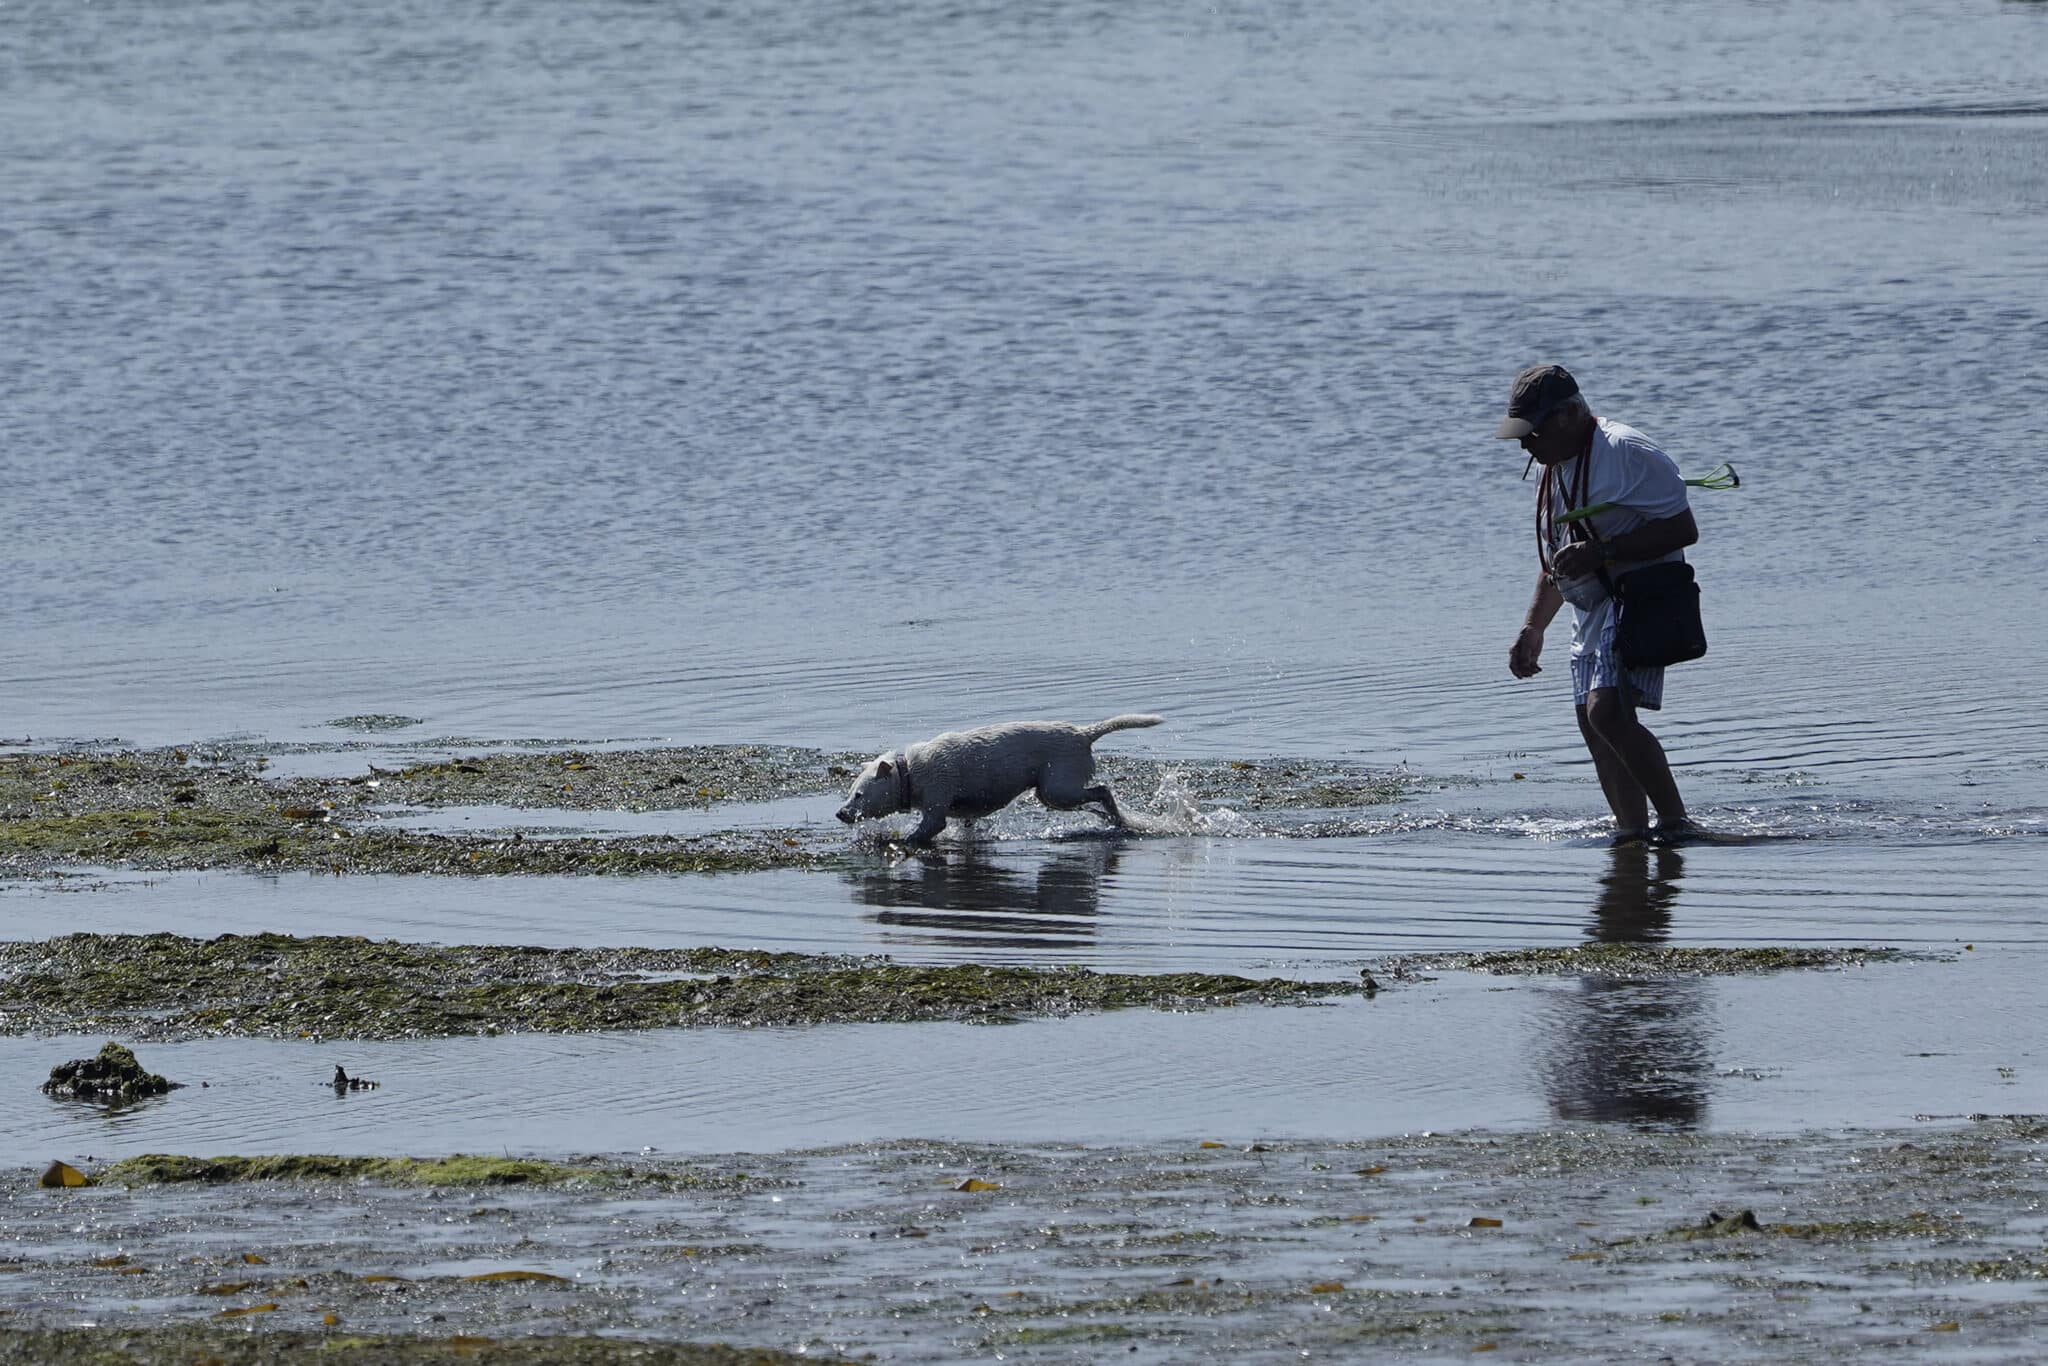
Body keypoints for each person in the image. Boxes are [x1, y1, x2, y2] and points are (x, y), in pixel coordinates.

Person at [1498, 364, 1700, 845]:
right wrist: (1533, 629)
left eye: (1533, 430)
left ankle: (1675, 823)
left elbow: (1683, 529)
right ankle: (1631, 835)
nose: (1526, 444)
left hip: (1636, 600)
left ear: (1569, 414)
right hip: (1587, 608)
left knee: (1606, 713)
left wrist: (1604, 552)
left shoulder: (1625, 451)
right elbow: (1558, 562)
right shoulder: (1553, 468)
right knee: (1595, 729)